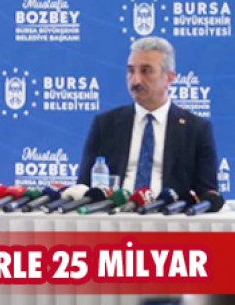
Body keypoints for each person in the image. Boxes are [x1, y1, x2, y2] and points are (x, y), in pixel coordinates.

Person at [77, 37, 217, 200]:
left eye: (146, 71)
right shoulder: (105, 124)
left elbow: (208, 196)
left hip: (170, 214)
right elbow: (84, 187)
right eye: (131, 71)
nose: (136, 80)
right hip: (114, 212)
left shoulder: (196, 129)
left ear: (169, 78)